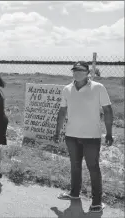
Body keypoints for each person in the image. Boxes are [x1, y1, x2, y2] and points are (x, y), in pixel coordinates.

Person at [54, 61, 113, 213]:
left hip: (91, 136)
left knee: (93, 168)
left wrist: (109, 133)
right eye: (75, 70)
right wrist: (57, 131)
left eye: (80, 70)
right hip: (71, 135)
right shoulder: (67, 89)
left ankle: (97, 202)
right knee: (75, 165)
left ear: (87, 72)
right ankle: (74, 194)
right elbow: (62, 112)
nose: (77, 73)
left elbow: (107, 110)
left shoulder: (98, 87)